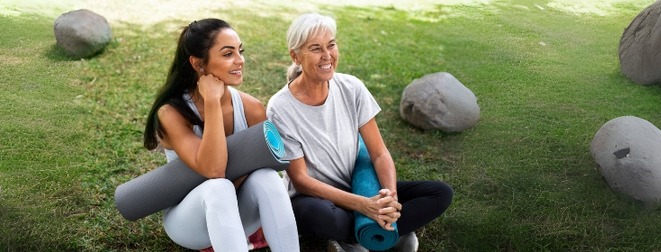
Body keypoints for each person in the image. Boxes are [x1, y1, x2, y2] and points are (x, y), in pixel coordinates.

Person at [266, 13, 454, 252]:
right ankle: (381, 232)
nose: (327, 55)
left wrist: (389, 200)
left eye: (331, 45)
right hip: (317, 198)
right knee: (316, 215)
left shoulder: (351, 87)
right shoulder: (280, 107)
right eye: (316, 48)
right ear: (295, 56)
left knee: (440, 193)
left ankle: (367, 232)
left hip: (359, 185)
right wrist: (363, 205)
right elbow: (301, 181)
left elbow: (379, 153)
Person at [142, 18, 299, 251]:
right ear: (198, 64)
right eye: (228, 54)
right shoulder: (172, 113)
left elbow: (267, 166)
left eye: (240, 51)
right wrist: (212, 101)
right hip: (190, 223)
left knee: (267, 177)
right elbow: (213, 170)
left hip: (237, 215)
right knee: (218, 187)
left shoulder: (252, 108)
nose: (240, 60)